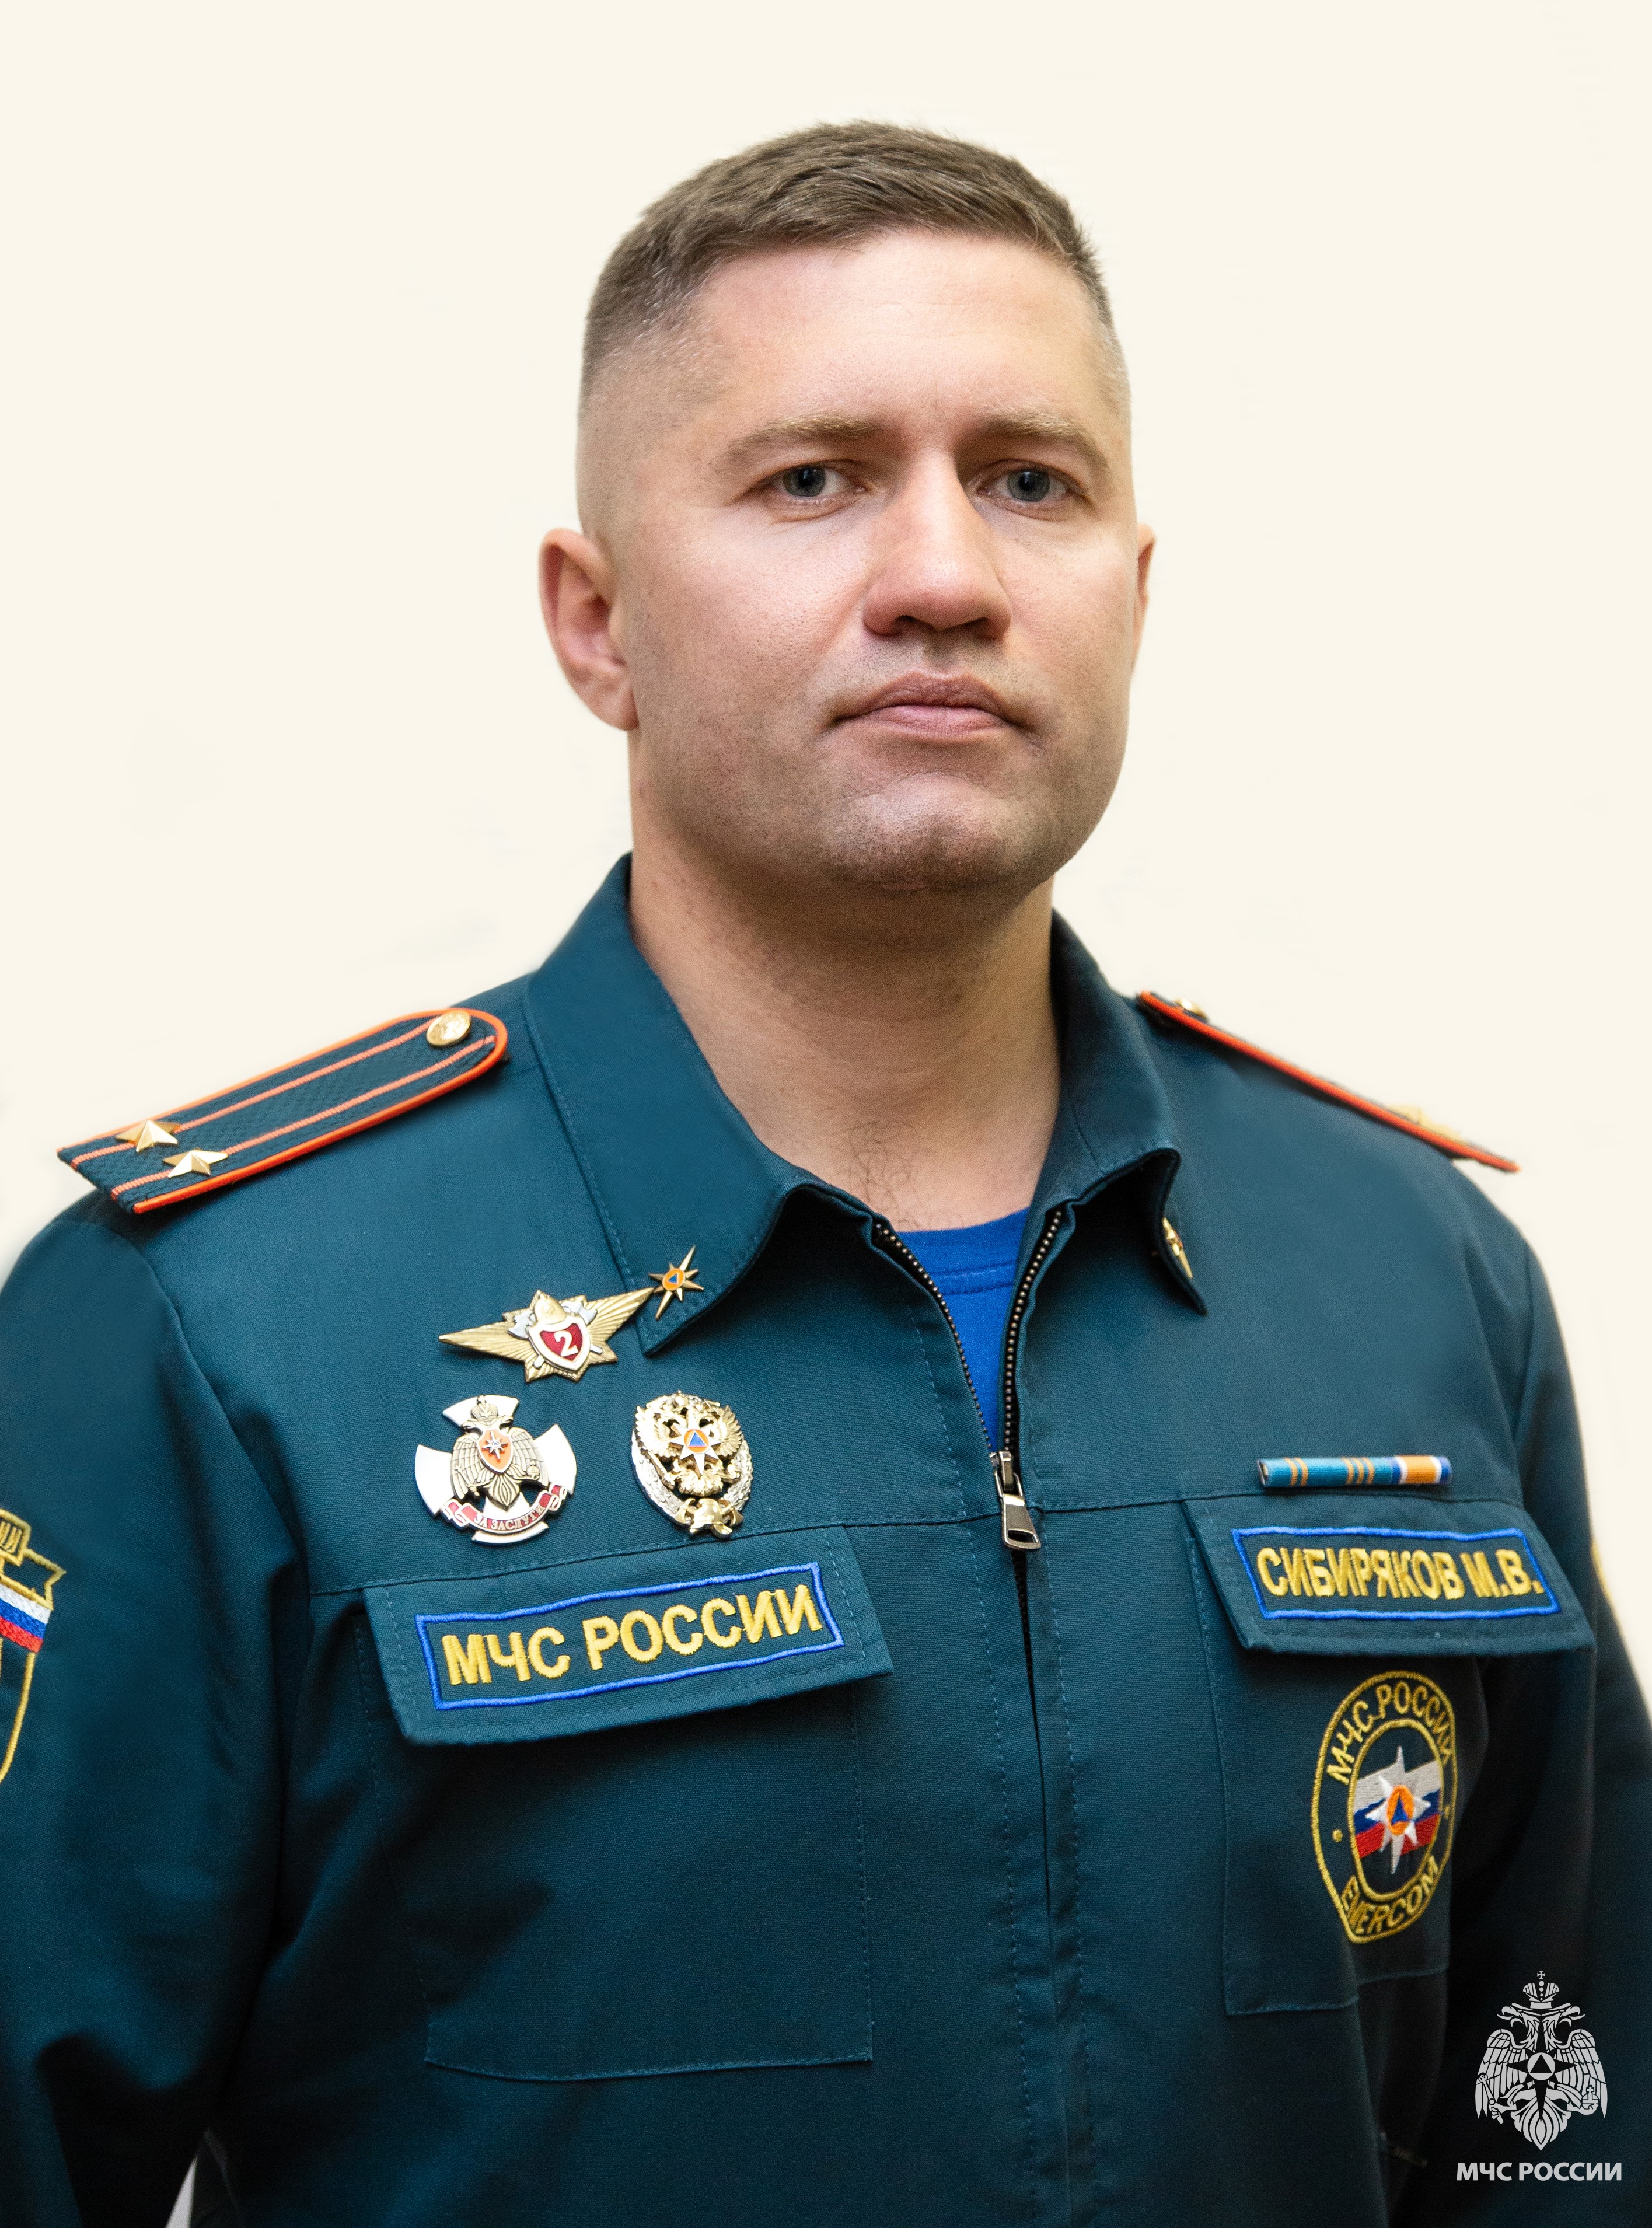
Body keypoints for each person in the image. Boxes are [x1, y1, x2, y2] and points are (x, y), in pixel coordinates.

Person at [1, 121, 1644, 2227]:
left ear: (1134, 596)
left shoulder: (1417, 1277)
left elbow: (1559, 2121)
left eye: (1030, 481)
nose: (946, 574)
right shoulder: (213, 1329)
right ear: (597, 622)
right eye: (813, 479)